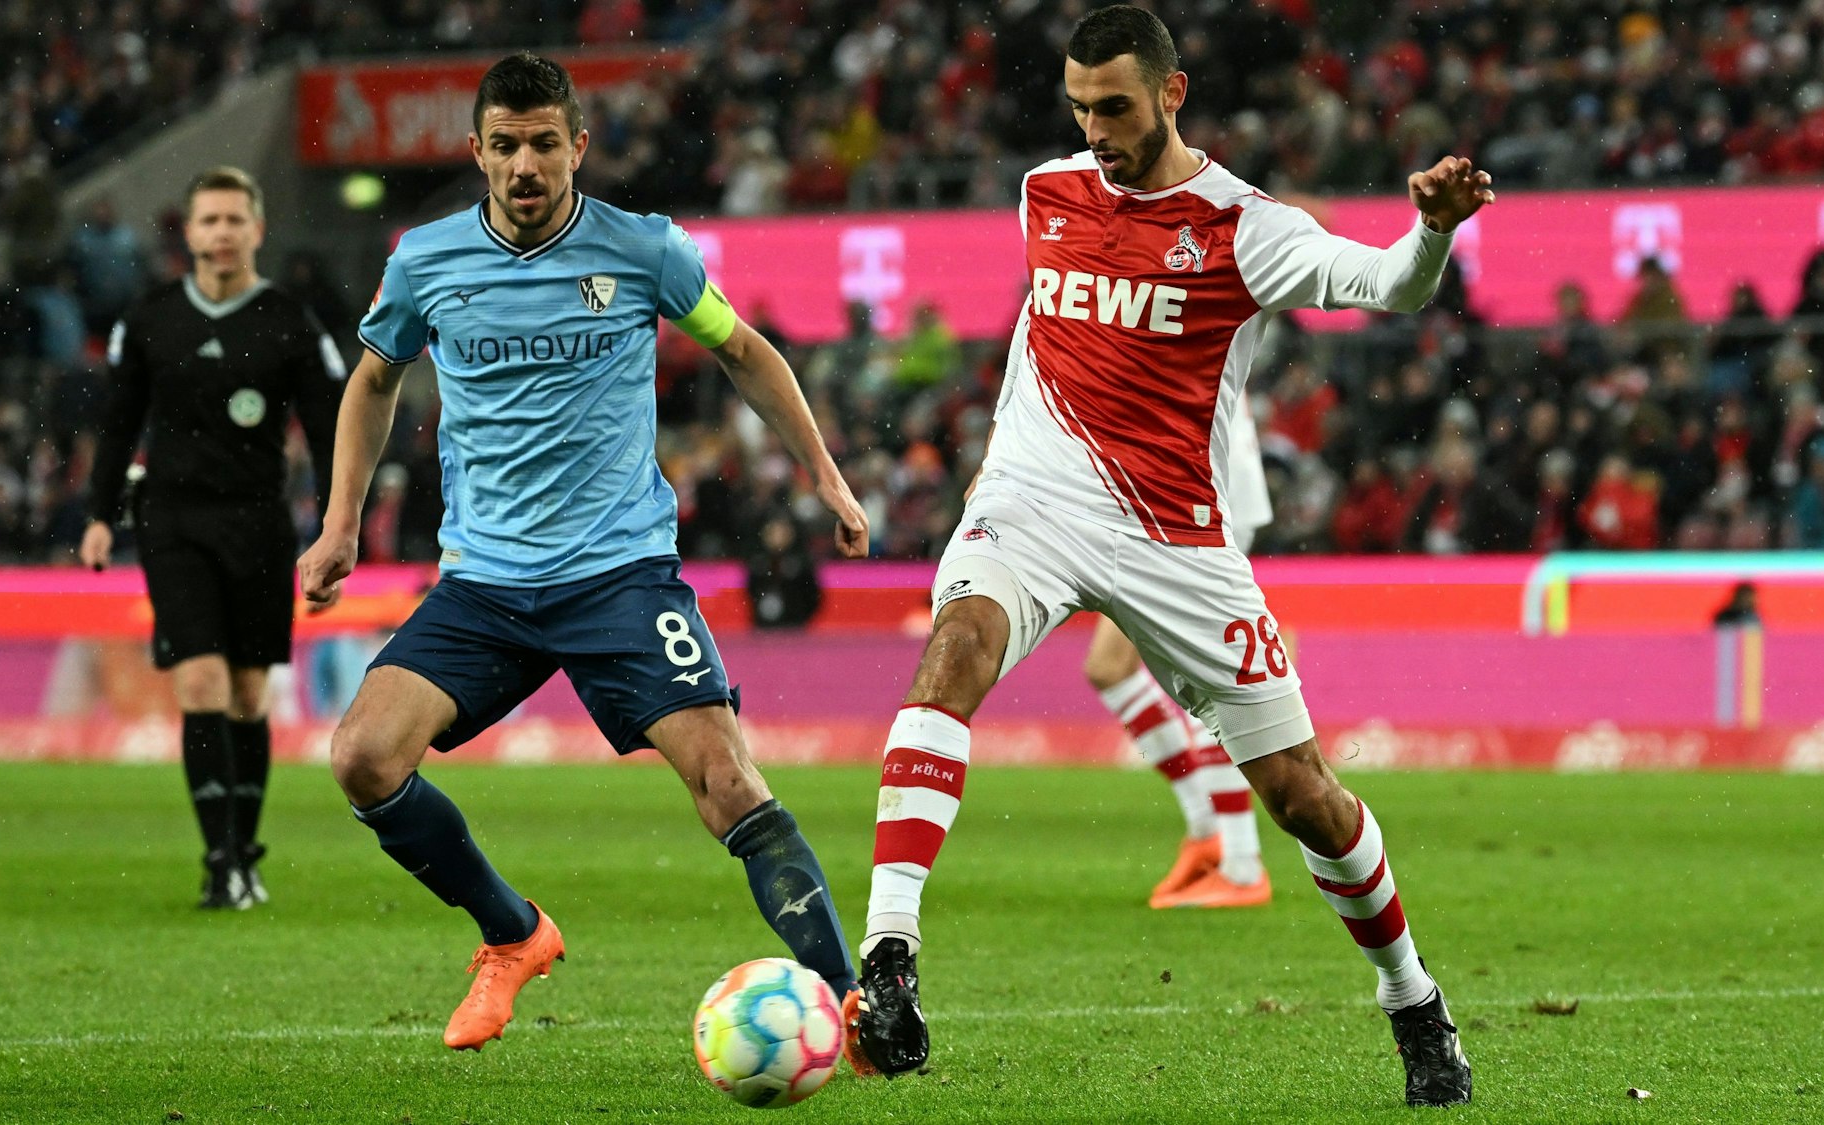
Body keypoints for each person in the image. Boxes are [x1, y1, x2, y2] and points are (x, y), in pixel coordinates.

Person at [846, 7, 1486, 1108]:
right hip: (1031, 504)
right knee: (952, 649)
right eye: (1080, 107)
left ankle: (1410, 998)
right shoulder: (1044, 193)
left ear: (1172, 94)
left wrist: (1427, 230)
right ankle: (888, 958)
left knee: (1300, 795)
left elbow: (1390, 289)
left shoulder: (1245, 227)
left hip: (1173, 538)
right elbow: (1041, 335)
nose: (1096, 129)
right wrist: (995, 464)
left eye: (1117, 108)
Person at [295, 53, 870, 1055]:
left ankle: (852, 1005)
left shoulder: (645, 252)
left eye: (545, 145)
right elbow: (374, 380)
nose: (526, 166)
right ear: (477, 151)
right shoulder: (425, 260)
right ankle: (513, 934)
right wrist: (341, 517)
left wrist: (821, 472)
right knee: (361, 757)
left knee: (728, 781)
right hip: (483, 584)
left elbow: (741, 348)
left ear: (579, 148)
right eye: (506, 146)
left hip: (618, 576)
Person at [80, 166, 344, 911]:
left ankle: (246, 852)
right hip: (172, 519)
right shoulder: (153, 317)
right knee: (201, 681)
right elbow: (119, 422)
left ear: (257, 229)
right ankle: (220, 859)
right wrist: (100, 514)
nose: (222, 233)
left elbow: (331, 430)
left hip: (260, 520)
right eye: (209, 221)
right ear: (189, 232)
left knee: (250, 694)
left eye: (235, 220)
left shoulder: (290, 320)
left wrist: (335, 523)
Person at [1084, 400, 1271, 909]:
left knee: (1193, 677)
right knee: (1108, 667)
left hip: (1192, 495)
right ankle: (1207, 828)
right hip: (1181, 490)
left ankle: (1240, 862)